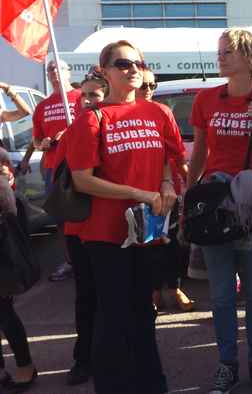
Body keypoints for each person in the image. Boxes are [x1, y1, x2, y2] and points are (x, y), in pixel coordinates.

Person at [67, 40, 183, 394]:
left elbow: (167, 155)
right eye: (122, 63)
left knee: (144, 312)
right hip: (105, 234)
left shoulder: (158, 113)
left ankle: (151, 383)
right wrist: (137, 193)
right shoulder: (92, 118)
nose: (133, 69)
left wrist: (164, 182)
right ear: (104, 72)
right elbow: (82, 179)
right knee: (113, 315)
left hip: (147, 231)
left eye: (138, 63)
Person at [187, 28, 252, 394]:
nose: (221, 57)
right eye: (219, 51)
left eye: (228, 51)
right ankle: (227, 366)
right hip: (217, 204)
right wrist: (189, 194)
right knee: (220, 294)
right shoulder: (205, 99)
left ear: (248, 56)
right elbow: (199, 152)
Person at [57, 68, 107, 387]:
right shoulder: (74, 129)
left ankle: (113, 353)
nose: (86, 100)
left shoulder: (114, 124)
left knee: (115, 294)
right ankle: (84, 358)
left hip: (110, 225)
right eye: (83, 94)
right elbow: (63, 179)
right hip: (78, 227)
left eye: (94, 94)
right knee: (86, 295)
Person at [136, 68, 195, 313]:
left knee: (170, 245)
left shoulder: (162, 112)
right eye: (144, 85)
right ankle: (152, 292)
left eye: (153, 85)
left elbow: (178, 154)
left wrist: (192, 183)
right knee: (145, 246)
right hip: (136, 192)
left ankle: (174, 288)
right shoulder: (118, 113)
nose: (149, 90)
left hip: (168, 191)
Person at [0, 88, 35, 393]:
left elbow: (25, 113)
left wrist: (8, 90)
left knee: (3, 306)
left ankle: (25, 365)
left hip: (2, 224)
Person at [35, 61, 82, 283]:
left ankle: (87, 256)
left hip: (80, 164)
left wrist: (71, 132)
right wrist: (42, 142)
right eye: (50, 70)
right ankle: (71, 260)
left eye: (59, 69)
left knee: (85, 213)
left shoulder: (81, 97)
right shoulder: (42, 106)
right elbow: (36, 140)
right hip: (53, 167)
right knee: (61, 218)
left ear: (68, 72)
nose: (54, 73)